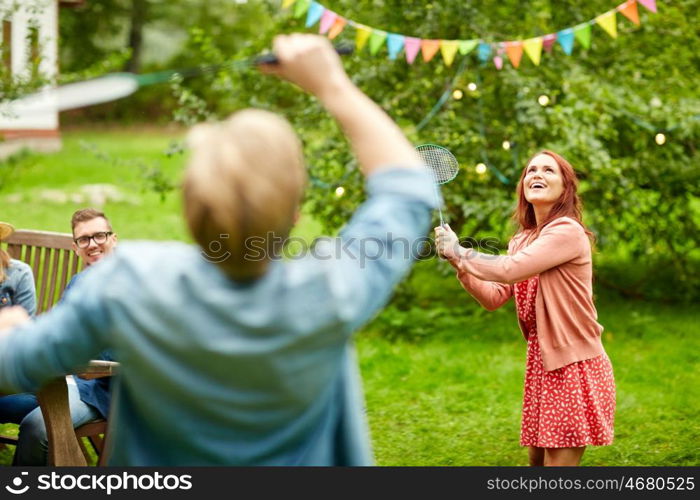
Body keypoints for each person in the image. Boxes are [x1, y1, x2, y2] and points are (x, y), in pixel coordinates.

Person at [0, 34, 435, 465]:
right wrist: (332, 85)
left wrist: (12, 333)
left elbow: (17, 364)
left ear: (190, 207)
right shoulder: (329, 286)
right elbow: (409, 191)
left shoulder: (126, 283)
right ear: (295, 212)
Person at [435, 150, 615, 466]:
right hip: (541, 364)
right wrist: (458, 263)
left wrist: (461, 251)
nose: (537, 175)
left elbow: (510, 269)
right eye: (531, 170)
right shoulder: (522, 239)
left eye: (549, 170)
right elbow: (494, 296)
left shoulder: (566, 231)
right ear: (523, 186)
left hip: (572, 363)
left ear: (565, 188)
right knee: (536, 464)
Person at [0, 209, 117, 465]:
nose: (93, 244)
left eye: (99, 236)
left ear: (113, 239)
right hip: (67, 380)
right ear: (76, 247)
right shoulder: (79, 282)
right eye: (84, 239)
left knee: (37, 427)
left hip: (106, 388)